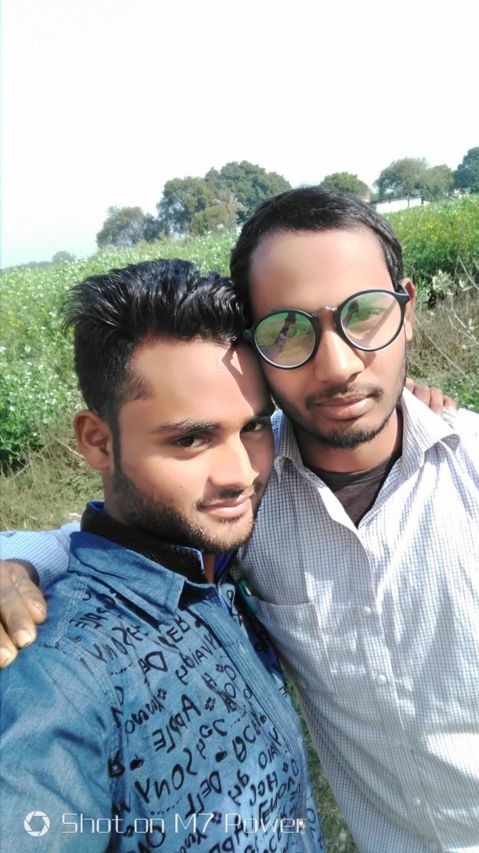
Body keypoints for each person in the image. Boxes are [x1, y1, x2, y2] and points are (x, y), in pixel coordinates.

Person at [1, 188, 479, 852]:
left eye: (365, 314)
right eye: (289, 329)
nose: (338, 366)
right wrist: (18, 561)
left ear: (407, 311)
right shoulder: (251, 496)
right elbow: (129, 543)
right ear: (256, 348)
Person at [0, 259, 324, 851]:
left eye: (254, 427)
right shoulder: (58, 673)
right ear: (98, 441)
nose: (240, 473)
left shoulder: (214, 565)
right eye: (190, 439)